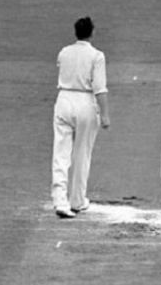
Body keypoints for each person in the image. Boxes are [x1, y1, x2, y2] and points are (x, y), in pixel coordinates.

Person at [51, 16, 110, 219]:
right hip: (85, 102)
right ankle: (77, 200)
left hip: (64, 100)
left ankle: (60, 200)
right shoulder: (97, 56)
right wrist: (105, 115)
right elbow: (99, 88)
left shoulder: (64, 52)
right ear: (91, 33)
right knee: (82, 153)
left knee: (61, 153)